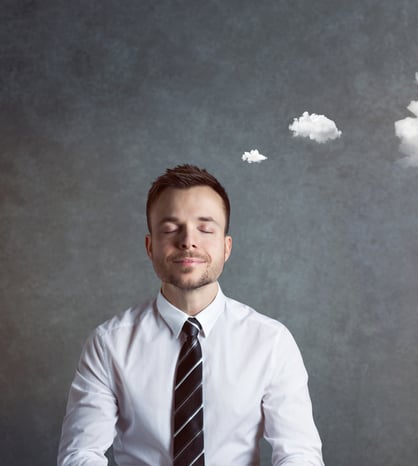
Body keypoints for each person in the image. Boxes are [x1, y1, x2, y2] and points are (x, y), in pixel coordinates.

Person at [58, 164, 324, 465]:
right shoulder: (109, 344)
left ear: (226, 247)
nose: (188, 241)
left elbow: (298, 454)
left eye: (206, 228)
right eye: (171, 229)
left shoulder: (271, 341)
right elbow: (80, 454)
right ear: (150, 246)